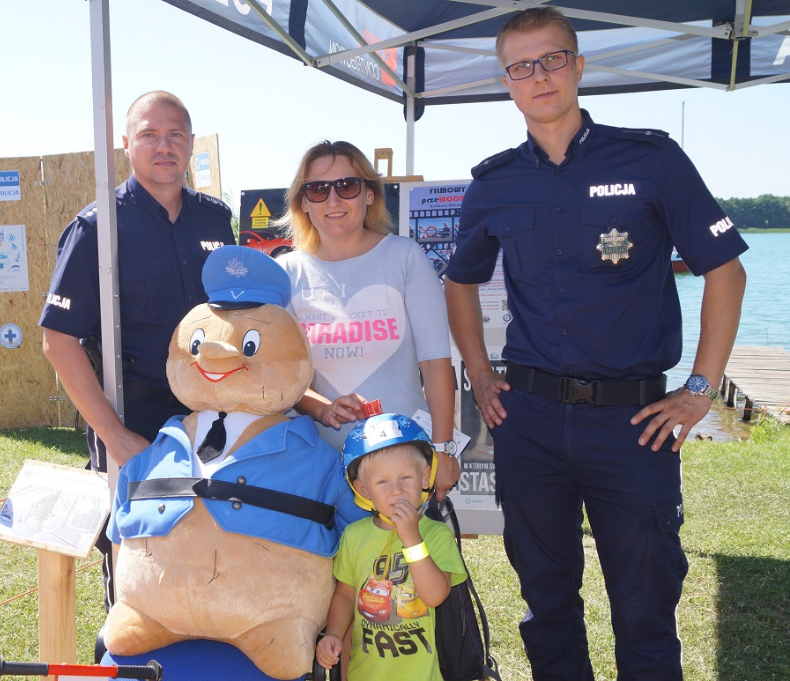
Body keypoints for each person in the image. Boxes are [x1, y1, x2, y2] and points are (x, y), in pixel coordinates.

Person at [444, 7, 748, 680]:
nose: (538, 76)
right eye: (521, 66)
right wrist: (478, 371)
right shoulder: (494, 183)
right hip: (531, 420)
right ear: (507, 82)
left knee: (644, 606)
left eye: (551, 59)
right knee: (546, 603)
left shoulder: (652, 159)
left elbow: (726, 270)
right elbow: (458, 282)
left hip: (632, 423)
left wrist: (699, 390)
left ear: (579, 66)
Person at [39, 91, 233, 609]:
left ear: (191, 143)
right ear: (126, 144)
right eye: (149, 134)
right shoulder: (97, 228)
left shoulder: (215, 220)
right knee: (140, 553)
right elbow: (58, 340)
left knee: (212, 541)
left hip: (213, 415)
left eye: (175, 135)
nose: (163, 146)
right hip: (137, 416)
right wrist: (114, 435)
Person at [275, 140, 461, 500]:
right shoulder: (284, 274)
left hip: (402, 469)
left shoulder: (405, 257)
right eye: (317, 189)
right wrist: (322, 407)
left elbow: (436, 364)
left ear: (370, 195)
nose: (333, 201)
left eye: (347, 186)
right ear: (302, 202)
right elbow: (281, 378)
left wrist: (443, 449)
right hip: (318, 469)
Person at [316, 412, 467, 680]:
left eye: (405, 478)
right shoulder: (354, 536)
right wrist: (333, 634)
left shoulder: (436, 535)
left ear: (425, 478)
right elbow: (346, 595)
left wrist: (412, 538)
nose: (395, 490)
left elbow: (435, 596)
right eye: (382, 482)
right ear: (363, 491)